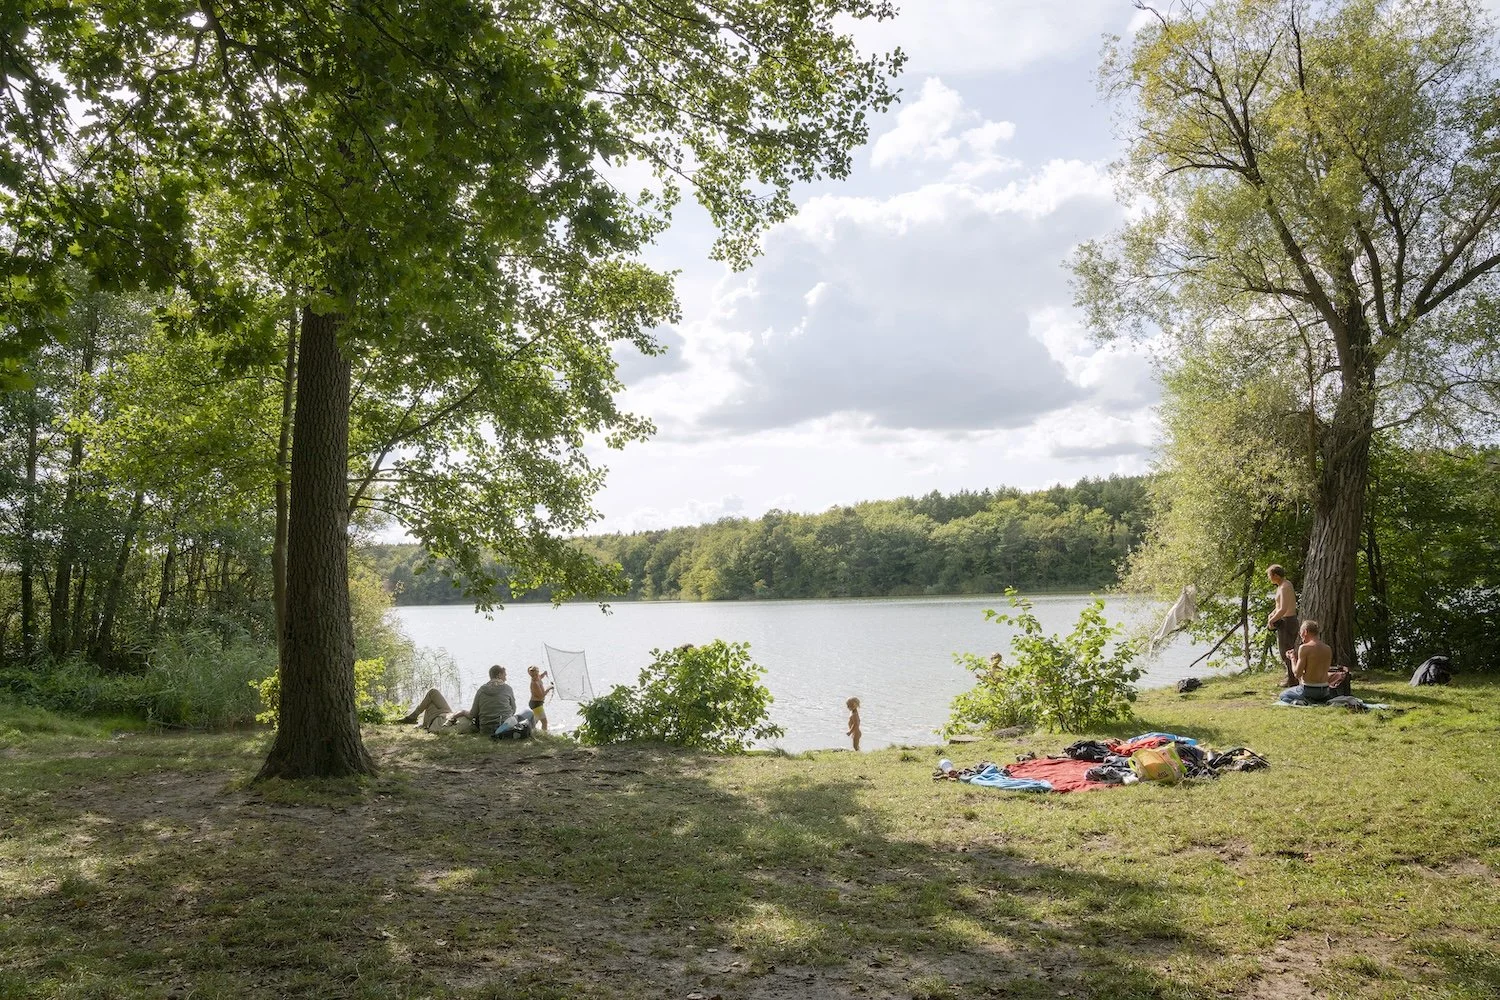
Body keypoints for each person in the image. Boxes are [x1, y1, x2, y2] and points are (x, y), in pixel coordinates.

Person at [398, 664, 516, 735]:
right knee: (433, 694)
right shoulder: (507, 688)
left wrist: (463, 712)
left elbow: (473, 713)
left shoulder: (481, 690)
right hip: (497, 725)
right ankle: (415, 719)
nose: (506, 677)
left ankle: (413, 717)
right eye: (505, 675)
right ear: (499, 675)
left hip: (449, 718)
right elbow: (513, 710)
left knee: (433, 692)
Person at [1279, 620, 1333, 704]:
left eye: (1300, 633)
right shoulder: (1327, 648)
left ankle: (1301, 702)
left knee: (1283, 695)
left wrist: (1293, 658)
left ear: (1305, 632)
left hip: (1309, 689)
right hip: (1325, 690)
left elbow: (1297, 674)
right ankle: (1315, 701)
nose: (1300, 635)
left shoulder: (1304, 648)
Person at [1266, 564, 1300, 687]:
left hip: (1288, 621)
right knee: (1284, 650)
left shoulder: (1285, 586)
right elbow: (1278, 607)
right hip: (1284, 620)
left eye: (1269, 575)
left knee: (1286, 651)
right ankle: (1290, 676)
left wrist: (1272, 621)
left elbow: (1284, 608)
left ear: (1275, 575)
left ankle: (1292, 679)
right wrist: (1271, 615)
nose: (1269, 578)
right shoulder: (1281, 586)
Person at [526, 665, 554, 733]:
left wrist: (544, 673)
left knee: (534, 722)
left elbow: (540, 676)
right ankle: (544, 735)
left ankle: (529, 732)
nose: (535, 676)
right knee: (544, 722)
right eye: (533, 675)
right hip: (536, 704)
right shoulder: (534, 683)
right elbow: (541, 696)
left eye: (536, 674)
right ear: (531, 675)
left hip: (537, 703)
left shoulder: (538, 677)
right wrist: (549, 688)